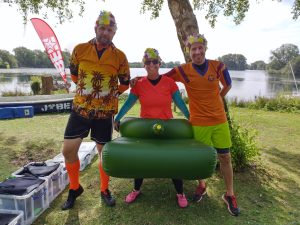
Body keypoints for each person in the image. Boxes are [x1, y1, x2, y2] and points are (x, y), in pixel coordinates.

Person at [162, 34, 240, 216]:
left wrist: (218, 97)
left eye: (200, 48)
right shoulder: (182, 70)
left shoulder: (218, 66)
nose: (197, 52)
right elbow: (162, 80)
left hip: (219, 121)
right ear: (188, 52)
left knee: (225, 157)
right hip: (198, 122)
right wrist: (139, 80)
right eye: (193, 49)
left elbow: (228, 84)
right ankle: (202, 185)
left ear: (205, 48)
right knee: (200, 158)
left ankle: (229, 194)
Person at [61, 10, 130, 210]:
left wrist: (108, 94)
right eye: (103, 28)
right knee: (68, 150)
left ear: (114, 32)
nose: (106, 32)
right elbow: (74, 76)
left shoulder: (120, 57)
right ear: (95, 28)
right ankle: (75, 188)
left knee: (103, 153)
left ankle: (104, 189)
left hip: (104, 113)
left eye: (110, 29)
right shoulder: (80, 50)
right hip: (80, 109)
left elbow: (125, 84)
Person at [114, 48, 190, 208]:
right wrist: (118, 117)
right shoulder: (139, 84)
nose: (151, 65)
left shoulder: (170, 83)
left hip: (167, 127)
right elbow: (129, 103)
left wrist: (191, 118)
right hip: (146, 128)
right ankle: (136, 189)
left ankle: (180, 193)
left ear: (159, 63)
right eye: (147, 62)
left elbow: (179, 102)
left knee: (172, 158)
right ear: (144, 65)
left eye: (154, 61)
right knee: (140, 159)